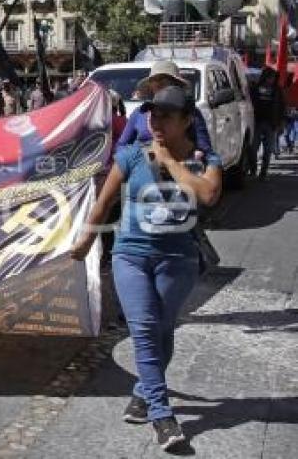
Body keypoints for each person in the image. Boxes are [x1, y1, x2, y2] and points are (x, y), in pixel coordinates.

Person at [71, 85, 222, 452]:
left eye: (167, 116)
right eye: (152, 114)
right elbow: (103, 204)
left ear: (187, 120)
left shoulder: (206, 161)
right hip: (131, 257)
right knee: (144, 329)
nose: (156, 122)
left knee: (163, 330)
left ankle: (142, 392)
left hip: (179, 261)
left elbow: (207, 196)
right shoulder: (131, 156)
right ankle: (162, 415)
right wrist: (85, 243)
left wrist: (169, 160)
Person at [116, 61, 213, 155]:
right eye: (155, 82)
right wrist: (134, 158)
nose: (159, 85)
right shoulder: (139, 112)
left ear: (176, 85)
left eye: (164, 82)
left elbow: (205, 149)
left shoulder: (190, 112)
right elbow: (121, 145)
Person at [249, 66, 286, 179]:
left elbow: (282, 107)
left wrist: (281, 123)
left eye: (273, 78)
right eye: (270, 77)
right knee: (253, 149)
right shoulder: (255, 88)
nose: (272, 80)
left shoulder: (277, 90)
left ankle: (263, 173)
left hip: (271, 124)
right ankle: (253, 169)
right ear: (265, 77)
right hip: (257, 123)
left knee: (268, 150)